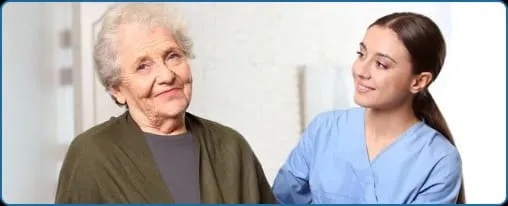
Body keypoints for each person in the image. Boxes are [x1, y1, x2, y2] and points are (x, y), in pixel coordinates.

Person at [55, 3, 275, 204]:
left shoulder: (231, 147)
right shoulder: (91, 155)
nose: (167, 75)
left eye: (172, 56)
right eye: (143, 66)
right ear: (117, 89)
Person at [272, 12, 465, 204]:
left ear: (418, 81)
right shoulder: (324, 129)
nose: (360, 71)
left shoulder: (439, 161)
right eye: (361, 54)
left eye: (381, 64)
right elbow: (280, 199)